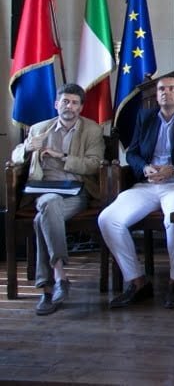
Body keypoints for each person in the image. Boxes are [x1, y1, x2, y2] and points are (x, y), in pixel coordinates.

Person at [98, 76, 174, 309]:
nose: (165, 93)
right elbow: (132, 153)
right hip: (147, 185)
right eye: (161, 89)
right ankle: (137, 282)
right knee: (108, 219)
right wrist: (144, 167)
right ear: (156, 95)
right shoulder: (146, 117)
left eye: (171, 89)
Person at [10, 83, 105, 316]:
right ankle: (59, 276)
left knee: (41, 218)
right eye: (65, 101)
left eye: (74, 103)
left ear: (81, 107)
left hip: (76, 191)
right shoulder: (39, 128)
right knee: (49, 202)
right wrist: (26, 149)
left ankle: (47, 288)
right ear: (56, 104)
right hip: (43, 190)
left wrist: (62, 156)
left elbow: (94, 165)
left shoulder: (92, 130)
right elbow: (15, 157)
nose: (69, 106)